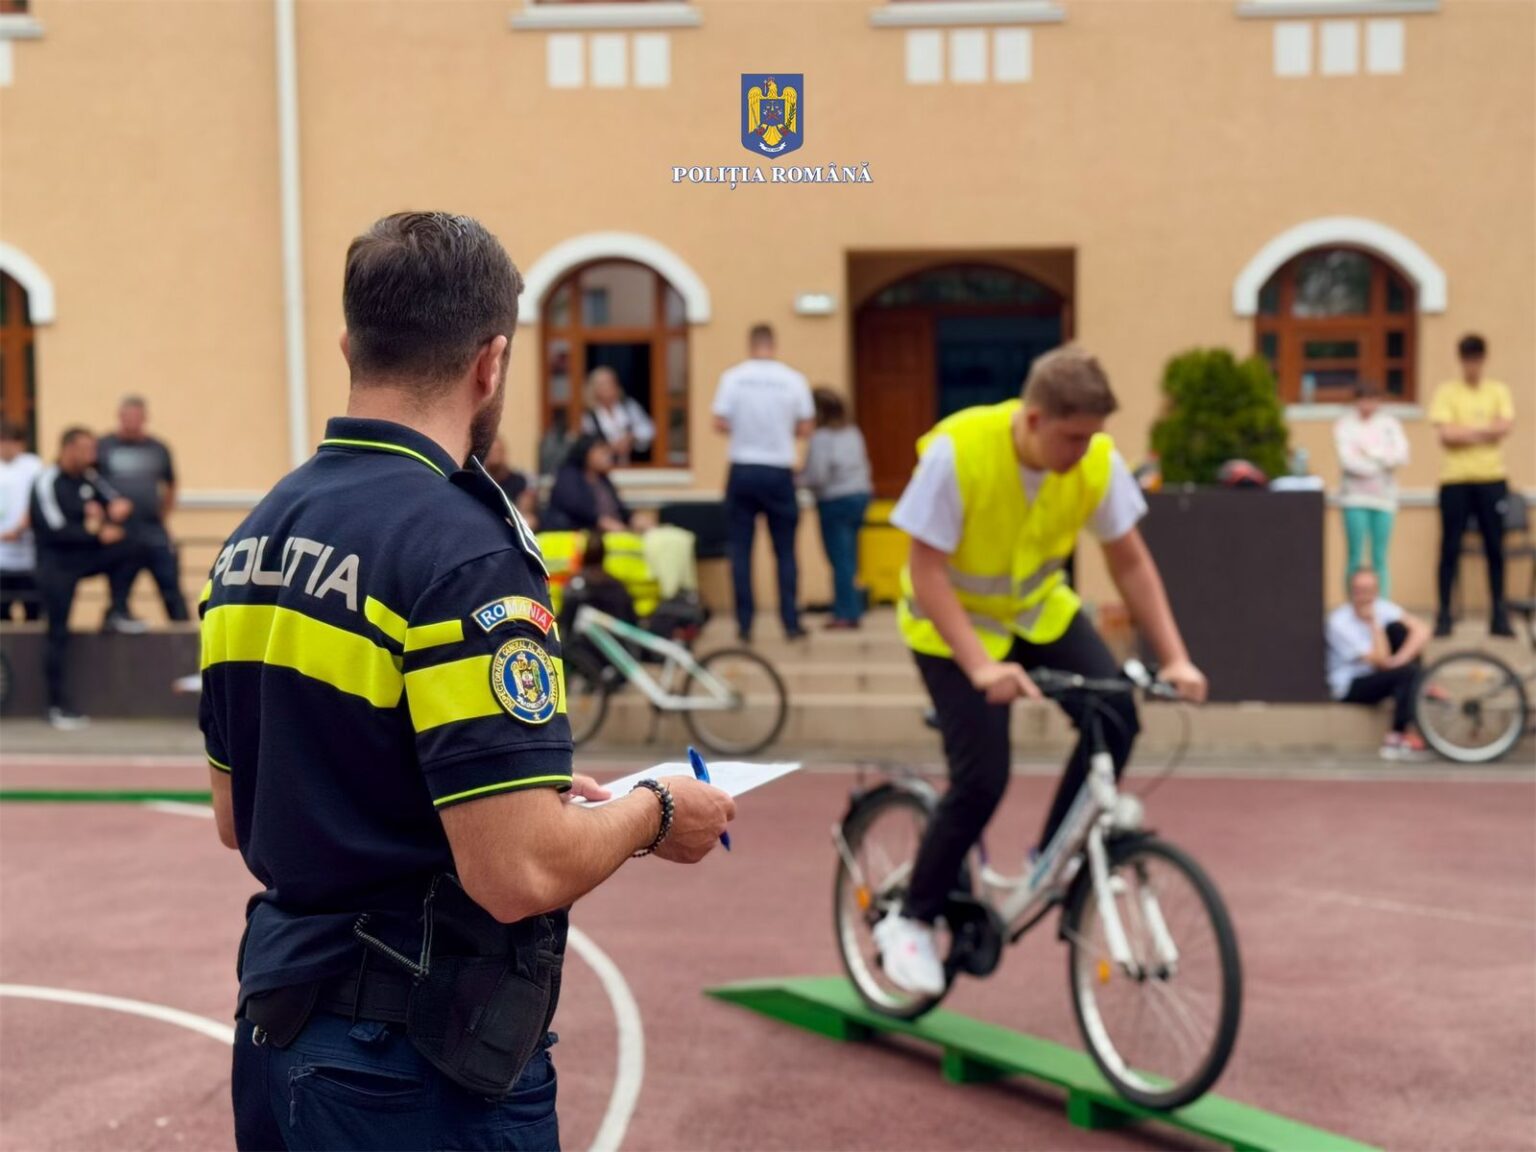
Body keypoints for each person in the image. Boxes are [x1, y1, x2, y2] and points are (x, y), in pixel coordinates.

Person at [201, 212, 734, 1152]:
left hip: (280, 1029)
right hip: (414, 1061)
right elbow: (515, 872)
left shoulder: (258, 534)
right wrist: (654, 814)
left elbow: (239, 814)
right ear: (490, 363)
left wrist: (494, 789)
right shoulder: (463, 550)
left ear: (349, 346)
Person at [877, 347, 1208, 997]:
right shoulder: (958, 452)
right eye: (1073, 437)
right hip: (951, 629)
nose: (1085, 452)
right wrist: (980, 667)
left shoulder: (1097, 462)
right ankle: (910, 918)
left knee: (1117, 713)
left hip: (1036, 614)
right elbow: (927, 570)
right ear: (1033, 420)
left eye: (1094, 437)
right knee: (983, 778)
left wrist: (1175, 656)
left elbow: (1130, 561)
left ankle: (1052, 855)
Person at [30, 427, 146, 729]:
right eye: (86, 449)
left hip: (83, 556)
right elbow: (54, 529)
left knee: (133, 546)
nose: (91, 455)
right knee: (58, 633)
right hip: (56, 564)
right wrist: (95, 534)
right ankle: (57, 706)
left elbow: (115, 502)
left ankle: (116, 611)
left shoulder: (90, 478)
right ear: (68, 449)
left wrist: (117, 509)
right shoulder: (47, 481)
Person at [713, 323, 814, 642]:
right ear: (773, 344)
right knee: (785, 550)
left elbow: (719, 422)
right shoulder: (793, 379)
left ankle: (745, 623)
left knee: (741, 550)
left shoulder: (733, 378)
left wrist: (746, 430)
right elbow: (806, 428)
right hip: (778, 469)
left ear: (751, 344)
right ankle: (790, 622)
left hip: (743, 467)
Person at [1430, 333, 1516, 637]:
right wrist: (1485, 431)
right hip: (1455, 479)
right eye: (1467, 360)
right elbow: (1446, 435)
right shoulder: (1447, 392)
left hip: (1491, 478)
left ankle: (1499, 615)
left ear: (1483, 360)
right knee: (1449, 548)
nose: (1472, 366)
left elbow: (1504, 427)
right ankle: (1444, 613)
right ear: (1461, 360)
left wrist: (1465, 432)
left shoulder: (1497, 391)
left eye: (1476, 360)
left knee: (1495, 547)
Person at [97, 395, 189, 625]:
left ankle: (183, 629)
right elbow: (91, 484)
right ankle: (118, 618)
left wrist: (164, 512)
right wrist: (104, 517)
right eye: (127, 416)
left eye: (136, 417)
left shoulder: (158, 448)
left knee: (169, 582)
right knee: (120, 585)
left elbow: (171, 483)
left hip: (153, 528)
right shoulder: (103, 447)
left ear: (145, 418)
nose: (132, 421)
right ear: (119, 417)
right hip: (122, 531)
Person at [1326, 568, 1433, 760]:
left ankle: (1422, 685)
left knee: (1399, 631)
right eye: (1359, 591)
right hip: (1351, 684)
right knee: (1408, 673)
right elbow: (1381, 660)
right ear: (1351, 592)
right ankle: (1395, 738)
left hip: (1382, 672)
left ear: (1376, 591)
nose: (1364, 597)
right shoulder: (1339, 622)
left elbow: (1422, 630)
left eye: (1369, 590)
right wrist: (1374, 623)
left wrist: (1399, 659)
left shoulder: (1382, 607)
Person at [799, 387, 872, 630]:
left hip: (835, 501)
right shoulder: (853, 432)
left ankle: (845, 613)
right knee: (849, 557)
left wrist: (795, 478)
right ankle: (853, 607)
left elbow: (818, 476)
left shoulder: (822, 438)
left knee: (839, 559)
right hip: (860, 496)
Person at [1333, 380, 1409, 597]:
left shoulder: (1389, 424)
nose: (1367, 405)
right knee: (1355, 555)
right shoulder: (1345, 425)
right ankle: (1352, 604)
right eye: (1363, 399)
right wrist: (1381, 461)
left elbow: (1401, 456)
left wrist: (1370, 453)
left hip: (1384, 499)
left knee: (1380, 557)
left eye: (1372, 399)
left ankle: (1382, 605)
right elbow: (1349, 462)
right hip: (1354, 499)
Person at [543, 434, 634, 534]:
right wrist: (599, 521)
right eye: (603, 452)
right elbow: (575, 508)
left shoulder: (603, 480)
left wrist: (632, 518)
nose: (608, 457)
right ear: (587, 453)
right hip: (576, 535)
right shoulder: (568, 476)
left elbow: (618, 509)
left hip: (612, 534)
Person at [0, 421, 44, 622]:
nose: (7, 447)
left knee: (33, 611)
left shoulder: (33, 466)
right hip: (2, 556)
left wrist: (21, 528)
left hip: (29, 553)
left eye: (12, 441)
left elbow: (39, 499)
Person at [581, 366, 655, 465]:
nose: (608, 387)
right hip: (605, 466)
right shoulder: (589, 416)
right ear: (594, 389)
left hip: (635, 465)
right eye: (603, 384)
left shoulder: (629, 407)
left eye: (611, 383)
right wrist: (610, 447)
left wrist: (631, 438)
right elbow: (588, 445)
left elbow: (649, 430)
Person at [485, 434, 540, 528]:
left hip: (516, 523)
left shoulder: (520, 480)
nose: (495, 456)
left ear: (504, 453)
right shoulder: (482, 481)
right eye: (491, 452)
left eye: (498, 451)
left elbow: (526, 510)